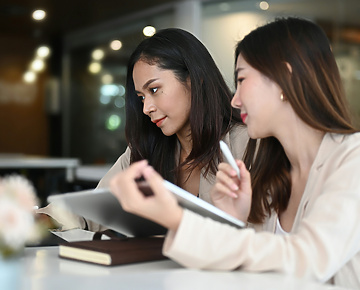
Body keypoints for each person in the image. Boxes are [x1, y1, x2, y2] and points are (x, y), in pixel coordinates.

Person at [109, 17, 360, 289]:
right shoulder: (271, 165)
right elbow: (258, 269)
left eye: (242, 80)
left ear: (286, 79)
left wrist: (177, 218)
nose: (234, 99)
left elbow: (307, 261)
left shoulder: (352, 159)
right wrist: (235, 221)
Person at [38, 28, 248, 231]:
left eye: (154, 90)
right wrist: (43, 218)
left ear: (195, 79)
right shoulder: (147, 148)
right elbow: (94, 210)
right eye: (141, 97)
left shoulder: (245, 143)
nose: (146, 108)